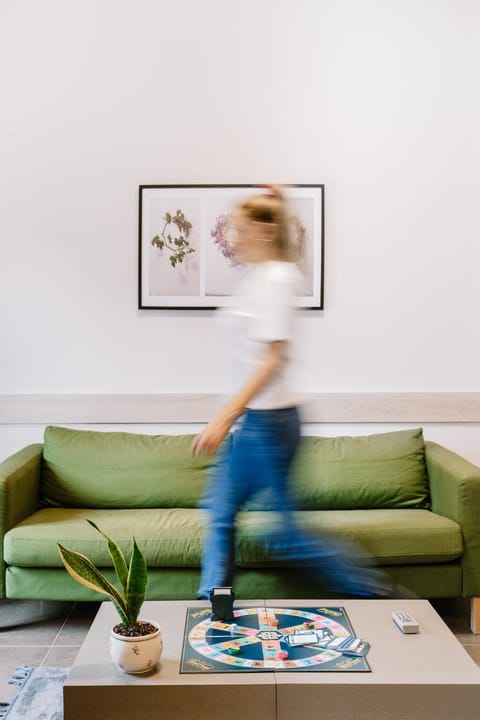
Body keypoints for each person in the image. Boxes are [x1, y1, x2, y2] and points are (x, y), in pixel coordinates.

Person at [193, 186, 392, 601]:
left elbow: (271, 359)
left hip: (269, 423)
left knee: (283, 535)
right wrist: (278, 199)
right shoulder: (258, 278)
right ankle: (215, 611)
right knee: (220, 514)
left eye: (240, 228)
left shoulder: (278, 279)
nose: (232, 236)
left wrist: (224, 417)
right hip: (254, 422)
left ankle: (376, 595)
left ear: (264, 232)